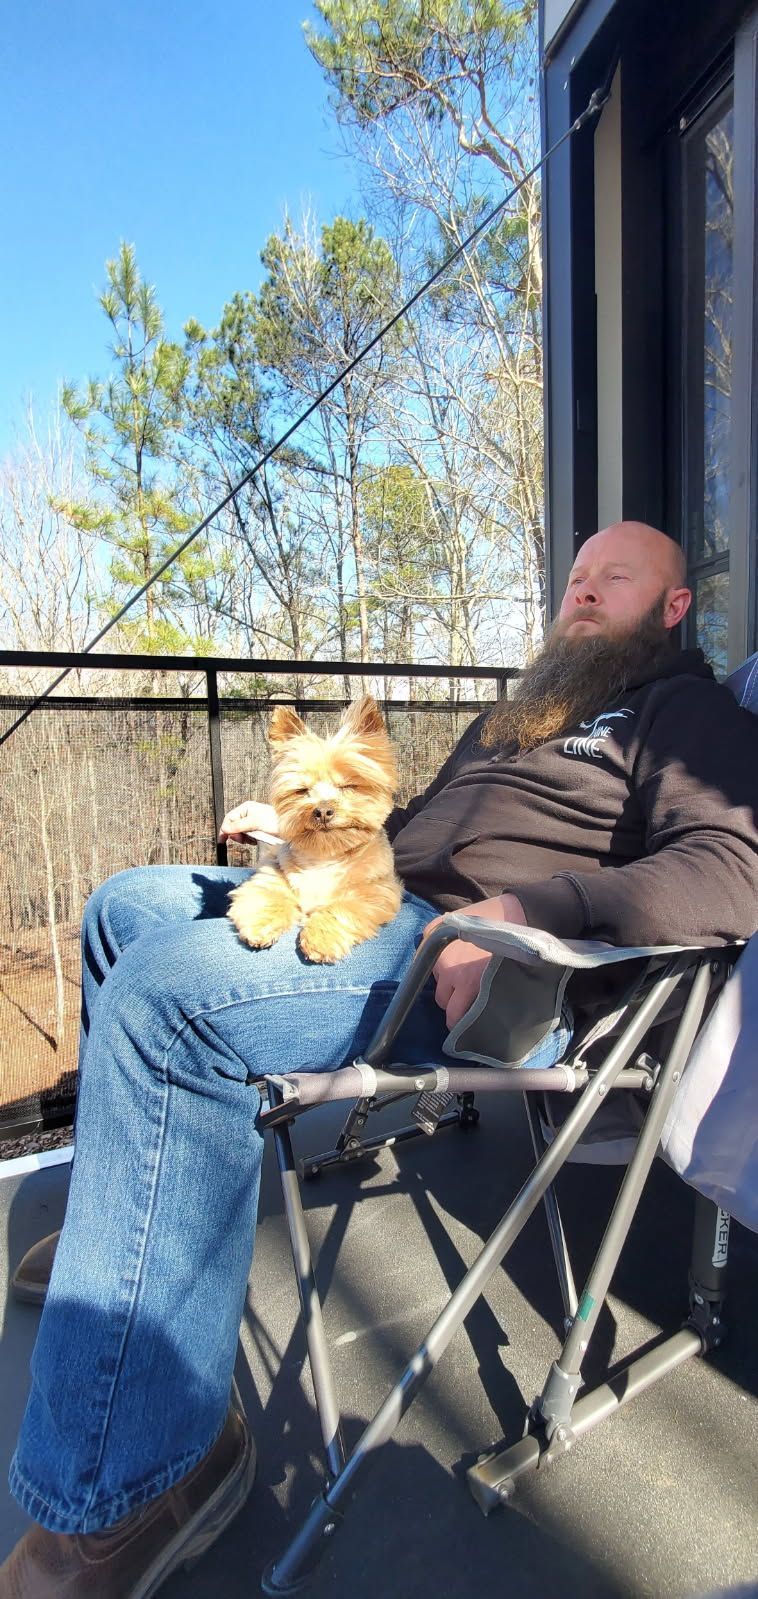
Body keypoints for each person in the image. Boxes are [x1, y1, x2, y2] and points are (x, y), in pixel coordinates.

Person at [4, 521, 758, 1597]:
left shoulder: (681, 715)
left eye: (614, 578)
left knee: (170, 1010)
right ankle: (121, 1243)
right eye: (575, 576)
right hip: (378, 902)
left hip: (485, 967)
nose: (580, 594)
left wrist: (521, 907)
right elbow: (393, 829)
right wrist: (297, 837)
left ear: (673, 606)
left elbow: (732, 870)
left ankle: (127, 1491)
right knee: (123, 906)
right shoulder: (527, 711)